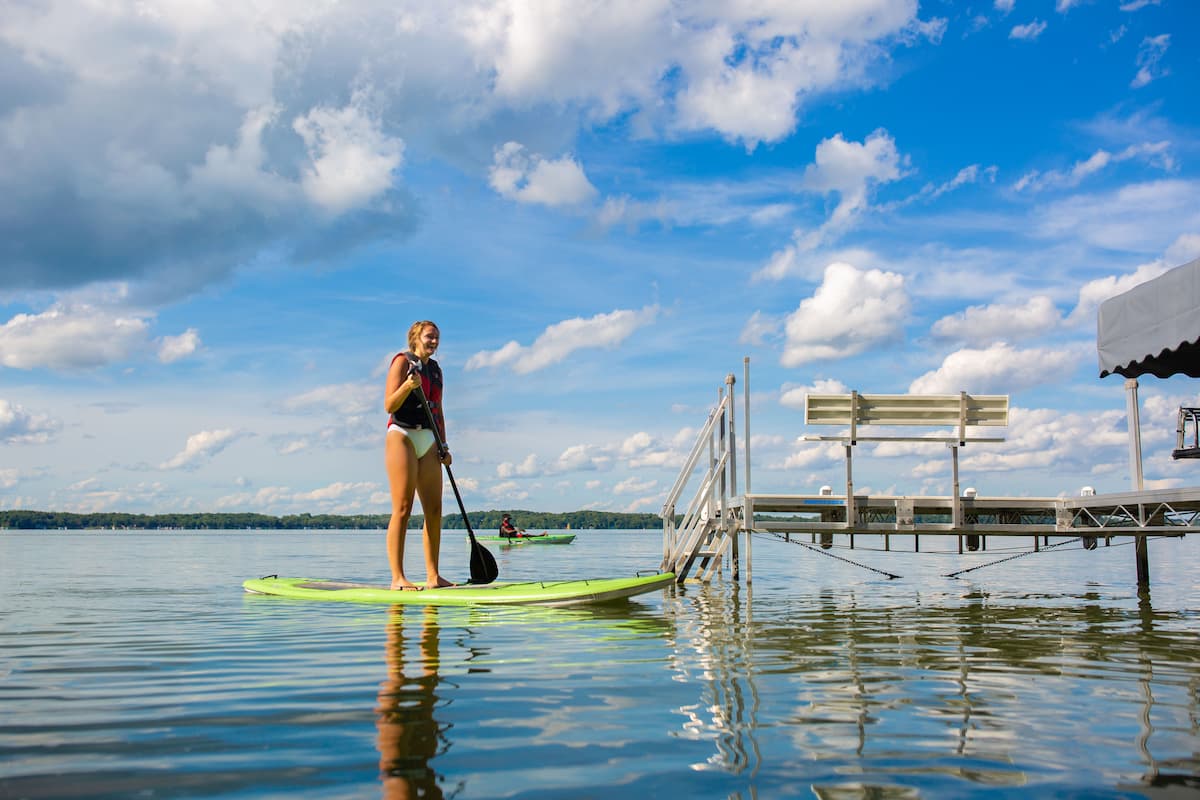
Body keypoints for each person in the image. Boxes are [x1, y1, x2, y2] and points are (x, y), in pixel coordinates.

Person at [384, 320, 454, 590]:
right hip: (402, 434)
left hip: (430, 438)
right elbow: (389, 404)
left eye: (437, 337)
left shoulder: (436, 370)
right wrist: (407, 386)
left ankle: (434, 577)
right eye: (430, 337)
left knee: (434, 510)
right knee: (403, 508)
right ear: (416, 337)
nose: (434, 341)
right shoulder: (402, 362)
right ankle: (397, 578)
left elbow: (439, 410)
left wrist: (444, 446)